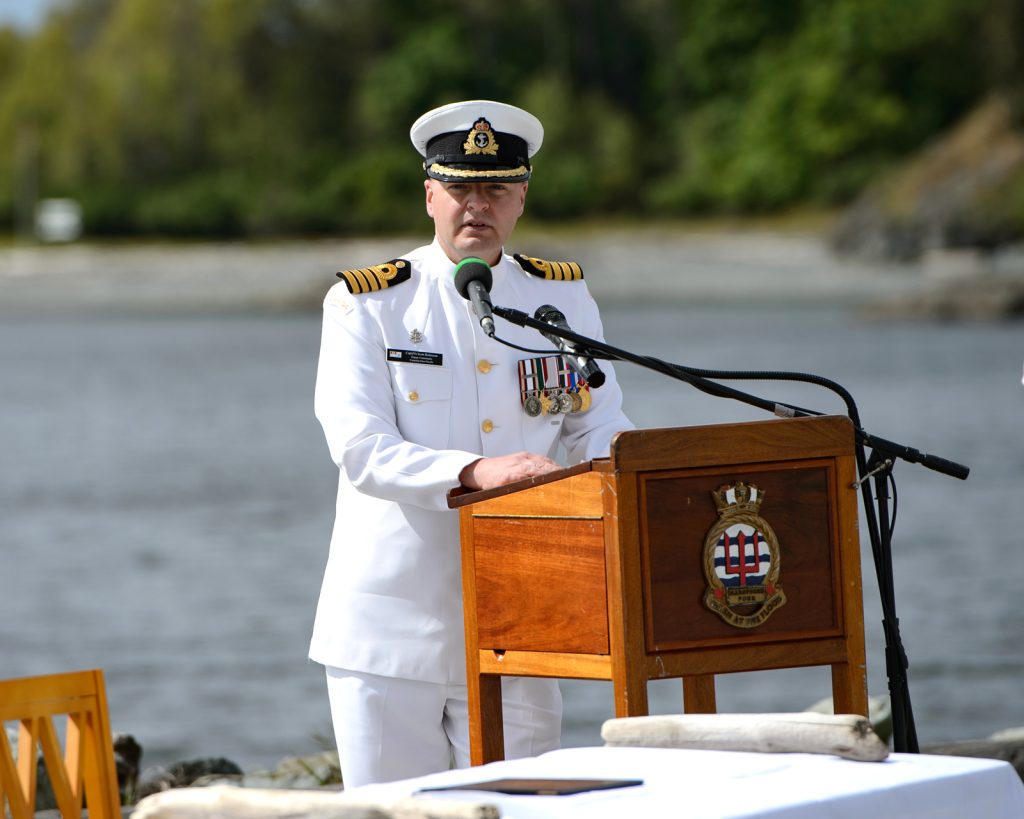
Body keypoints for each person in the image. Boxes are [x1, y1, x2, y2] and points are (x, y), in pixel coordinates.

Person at [310, 99, 633, 787]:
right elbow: (361, 448)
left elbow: (600, 425)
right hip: (392, 636)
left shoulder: (560, 300)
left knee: (520, 808)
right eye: (459, 186)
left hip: (524, 621)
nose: (475, 205)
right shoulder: (368, 302)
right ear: (429, 194)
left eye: (495, 188)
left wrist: (639, 482)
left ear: (521, 197)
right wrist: (479, 470)